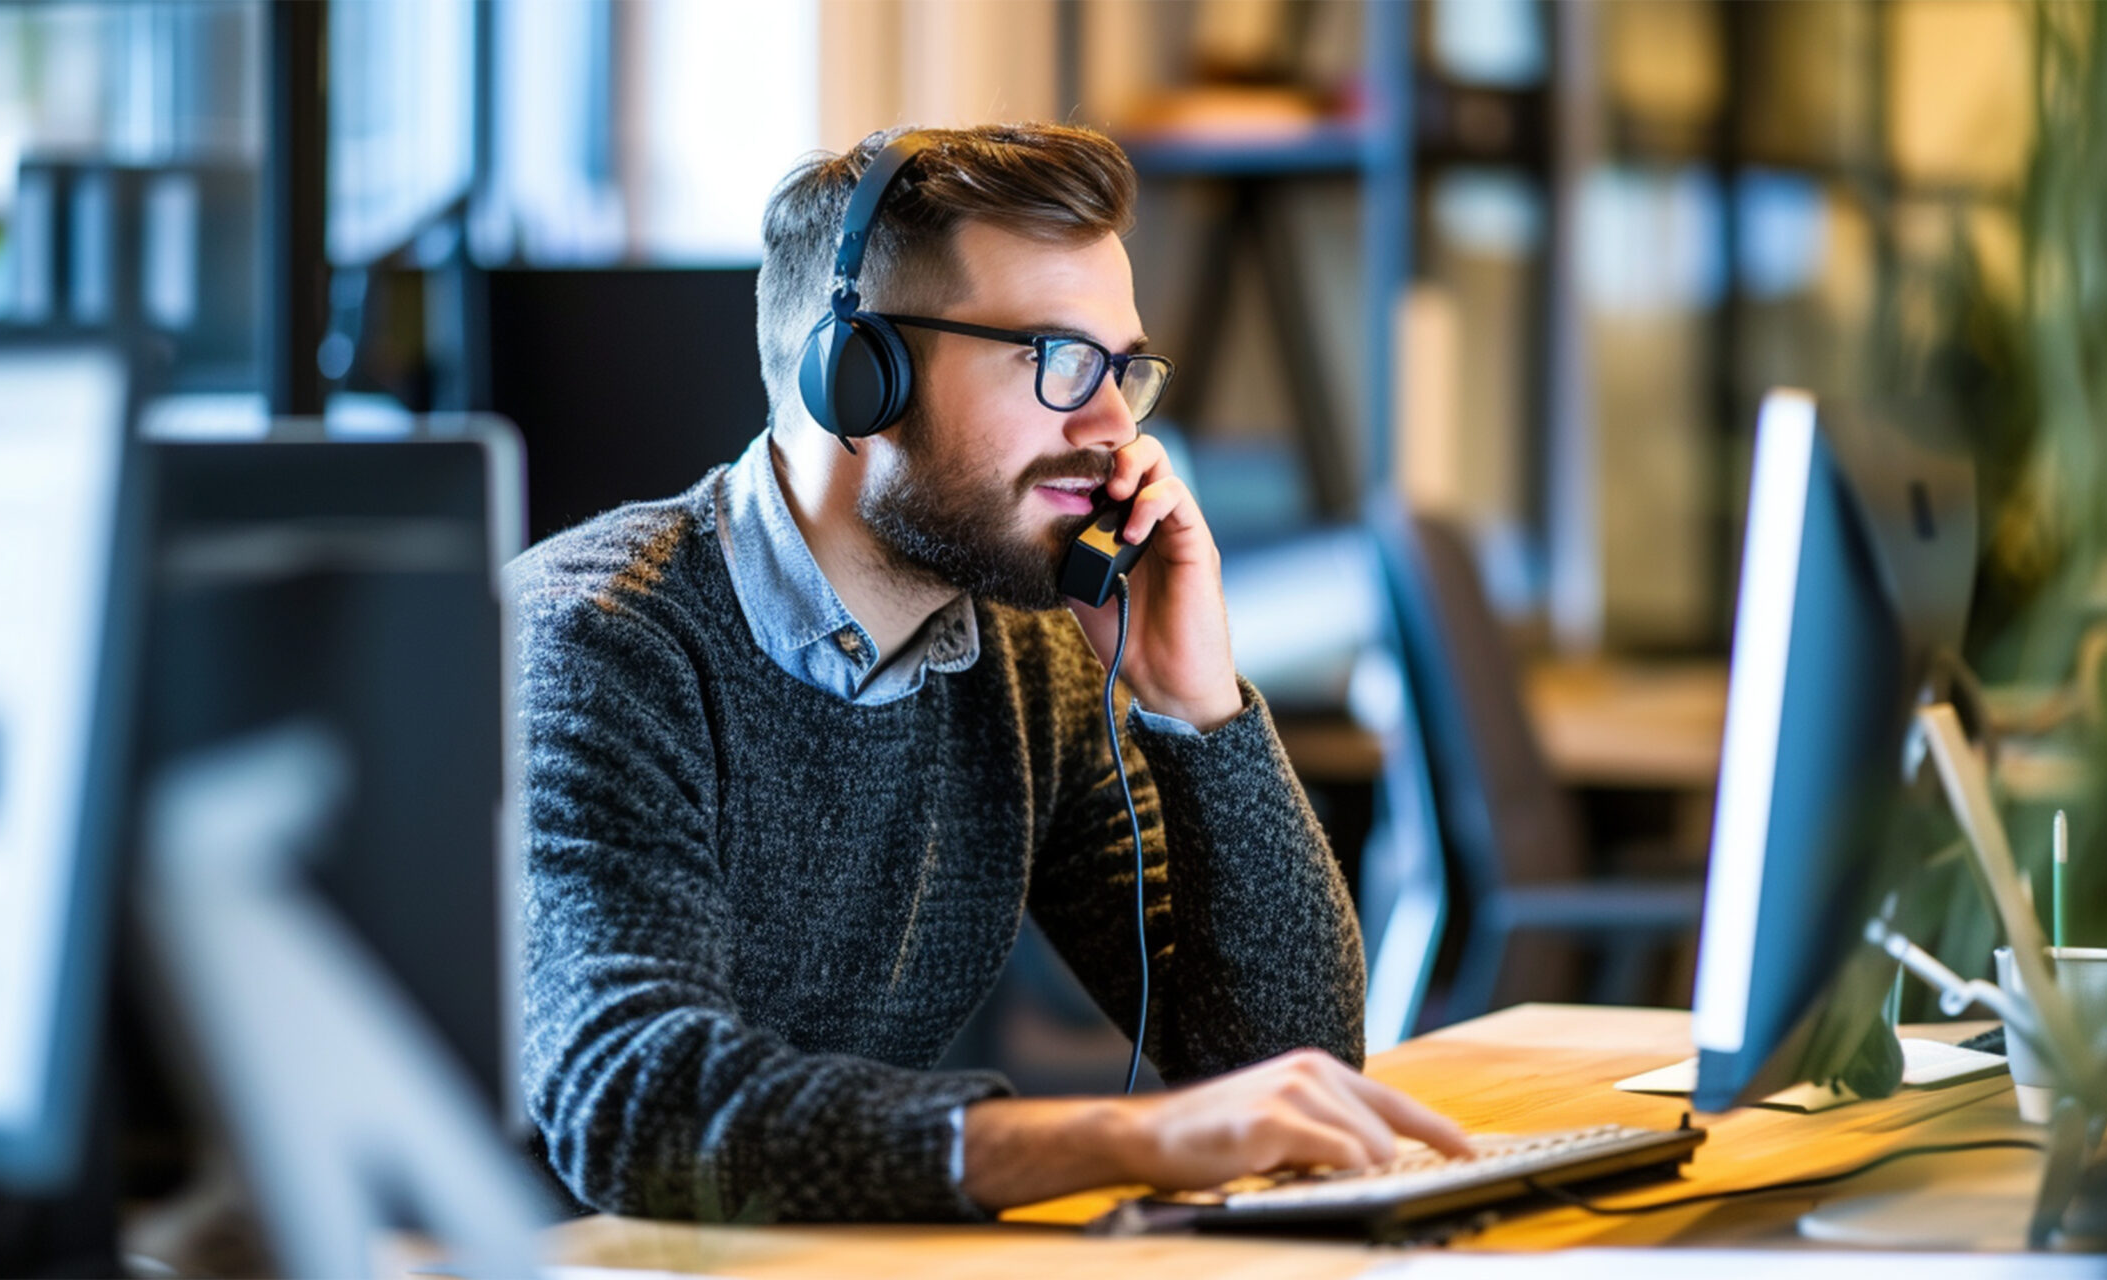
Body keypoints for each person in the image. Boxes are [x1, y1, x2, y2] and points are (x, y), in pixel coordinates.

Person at [511, 121, 1468, 1224]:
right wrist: (1122, 1137)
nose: (1116, 428)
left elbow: (1286, 1061)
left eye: (1123, 370)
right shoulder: (595, 644)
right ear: (857, 375)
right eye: (1059, 362)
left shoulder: (1025, 654)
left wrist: (1197, 705)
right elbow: (638, 1107)